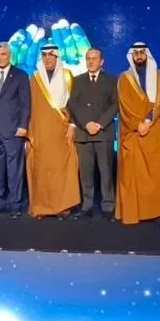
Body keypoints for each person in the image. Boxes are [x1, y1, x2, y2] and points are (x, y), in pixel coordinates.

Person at [116, 42, 160, 225]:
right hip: (135, 133)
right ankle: (137, 212)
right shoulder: (125, 78)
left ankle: (158, 212)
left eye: (142, 53)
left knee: (158, 175)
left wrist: (149, 121)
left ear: (147, 55)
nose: (139, 56)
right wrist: (139, 123)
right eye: (135, 53)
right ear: (132, 56)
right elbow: (125, 106)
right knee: (135, 176)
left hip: (156, 132)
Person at [25, 43, 81, 219]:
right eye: (45, 55)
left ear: (57, 57)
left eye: (51, 55)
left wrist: (73, 125)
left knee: (61, 169)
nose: (48, 58)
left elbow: (75, 104)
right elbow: (28, 107)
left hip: (61, 132)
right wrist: (28, 133)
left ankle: (62, 206)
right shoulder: (34, 79)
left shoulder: (67, 76)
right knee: (41, 169)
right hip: (40, 131)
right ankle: (41, 207)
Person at [68, 47, 118, 219]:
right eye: (88, 58)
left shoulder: (112, 80)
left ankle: (108, 206)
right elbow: (72, 104)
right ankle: (87, 205)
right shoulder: (77, 80)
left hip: (103, 133)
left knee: (106, 172)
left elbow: (115, 104)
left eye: (94, 58)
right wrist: (87, 124)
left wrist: (99, 124)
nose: (90, 61)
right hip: (84, 134)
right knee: (85, 173)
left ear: (101, 61)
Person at [0, 42, 30, 217]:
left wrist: (23, 125)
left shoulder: (20, 75)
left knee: (14, 169)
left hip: (13, 129)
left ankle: (15, 205)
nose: (0, 57)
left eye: (3, 54)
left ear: (10, 55)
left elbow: (26, 104)